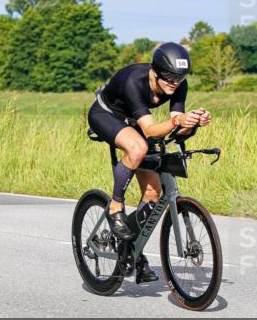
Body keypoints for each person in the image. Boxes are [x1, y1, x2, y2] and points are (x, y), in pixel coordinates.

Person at [87, 42, 211, 283]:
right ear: (155, 71)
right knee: (138, 147)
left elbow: (177, 127)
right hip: (106, 115)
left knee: (153, 193)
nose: (174, 83)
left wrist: (192, 122)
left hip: (133, 121)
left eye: (180, 78)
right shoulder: (134, 81)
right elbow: (151, 130)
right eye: (169, 77)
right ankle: (115, 207)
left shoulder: (179, 85)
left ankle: (132, 251)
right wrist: (177, 122)